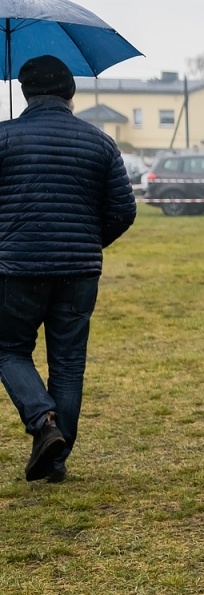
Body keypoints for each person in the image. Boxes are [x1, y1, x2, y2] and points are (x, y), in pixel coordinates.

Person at [0, 55, 137, 483]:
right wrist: (88, 244)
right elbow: (123, 210)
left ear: (25, 92)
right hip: (79, 273)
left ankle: (44, 424)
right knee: (68, 364)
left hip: (17, 268)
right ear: (70, 93)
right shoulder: (99, 142)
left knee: (8, 349)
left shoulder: (3, 138)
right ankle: (54, 460)